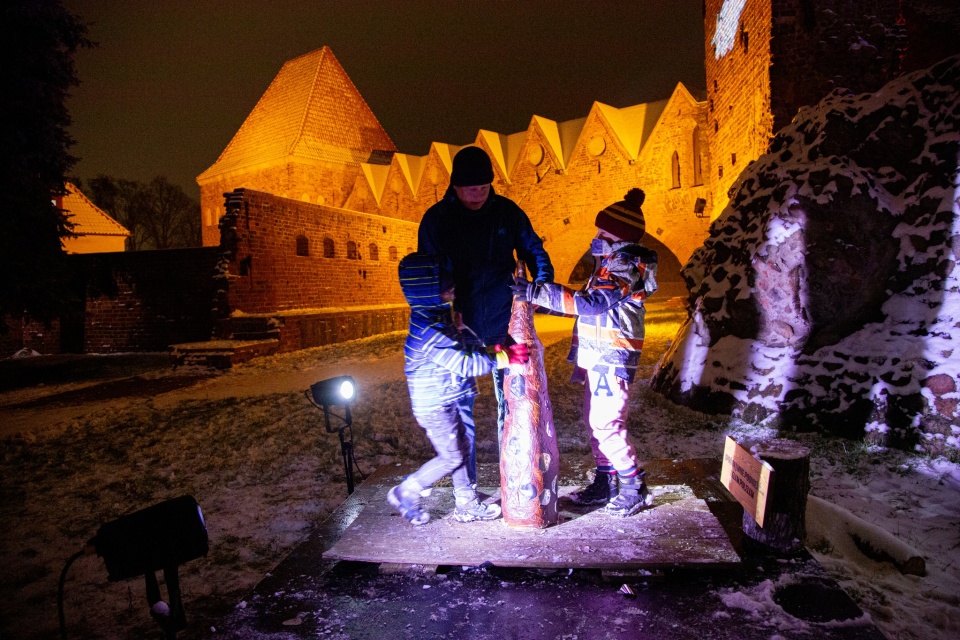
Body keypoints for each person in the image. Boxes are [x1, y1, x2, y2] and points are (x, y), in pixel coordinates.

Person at [511, 188, 657, 517]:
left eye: (604, 233)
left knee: (606, 424)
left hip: (612, 356)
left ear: (621, 239)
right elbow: (584, 306)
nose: (596, 238)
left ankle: (634, 486)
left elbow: (590, 304)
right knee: (596, 424)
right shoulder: (607, 267)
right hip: (597, 356)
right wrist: (542, 304)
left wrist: (540, 291)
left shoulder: (624, 268)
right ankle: (606, 481)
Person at [418, 145, 553, 485]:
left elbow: (533, 248)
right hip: (457, 328)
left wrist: (543, 287)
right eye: (470, 188)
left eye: (483, 187)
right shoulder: (437, 220)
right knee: (461, 416)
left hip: (502, 320)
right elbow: (428, 272)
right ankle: (469, 488)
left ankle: (518, 479)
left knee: (513, 405)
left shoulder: (506, 212)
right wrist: (443, 313)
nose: (477, 194)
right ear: (455, 186)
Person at [388, 252, 530, 525]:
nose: (453, 287)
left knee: (461, 450)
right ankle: (407, 490)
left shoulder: (437, 318)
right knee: (452, 455)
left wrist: (490, 347)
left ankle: (466, 502)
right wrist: (504, 358)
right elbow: (462, 364)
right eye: (445, 285)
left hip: (448, 398)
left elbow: (460, 351)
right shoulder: (429, 329)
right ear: (428, 291)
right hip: (435, 407)